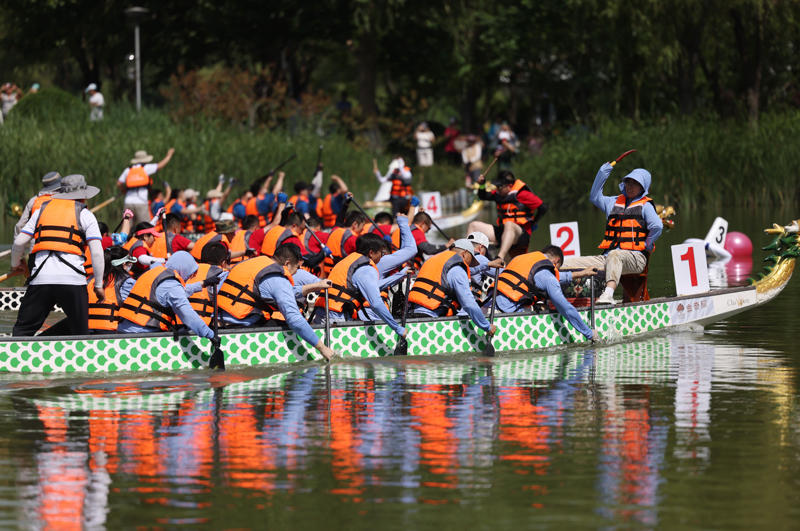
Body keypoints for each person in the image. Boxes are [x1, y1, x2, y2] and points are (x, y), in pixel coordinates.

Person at [9, 174, 105, 336]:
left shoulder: (41, 210)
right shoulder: (85, 214)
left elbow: (19, 243)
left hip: (41, 279)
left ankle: (14, 356)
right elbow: (96, 252)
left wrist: (15, 264)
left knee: (22, 332)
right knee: (80, 333)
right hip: (73, 281)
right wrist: (98, 285)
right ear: (83, 196)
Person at [562, 161, 663, 305]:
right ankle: (554, 298)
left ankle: (608, 295)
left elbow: (657, 226)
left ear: (643, 187)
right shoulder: (613, 202)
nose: (630, 186)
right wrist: (602, 173)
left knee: (615, 255)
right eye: (628, 182)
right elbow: (594, 196)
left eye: (635, 183)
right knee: (567, 262)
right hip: (608, 257)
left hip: (636, 258)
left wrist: (648, 243)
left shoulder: (646, 206)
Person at [217, 244, 335, 360]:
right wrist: (323, 348)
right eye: (295, 269)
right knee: (289, 324)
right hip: (241, 328)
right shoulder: (277, 277)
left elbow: (281, 290)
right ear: (287, 264)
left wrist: (316, 285)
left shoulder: (251, 263)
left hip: (219, 324)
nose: (294, 274)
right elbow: (294, 319)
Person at [495, 245, 598, 341]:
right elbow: (565, 307)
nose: (555, 273)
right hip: (507, 311)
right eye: (557, 269)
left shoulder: (521, 258)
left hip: (491, 302)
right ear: (556, 261)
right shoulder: (547, 276)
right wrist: (589, 333)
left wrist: (583, 273)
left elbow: (554, 277)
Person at [315, 233, 407, 340]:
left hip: (322, 311)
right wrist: (397, 328)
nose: (382, 257)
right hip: (336, 315)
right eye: (381, 253)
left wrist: (400, 275)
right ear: (371, 253)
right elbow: (376, 303)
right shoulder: (366, 268)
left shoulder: (348, 260)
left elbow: (375, 286)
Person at [408, 239, 496, 337]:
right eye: (471, 260)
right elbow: (469, 304)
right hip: (431, 321)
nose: (469, 264)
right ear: (465, 254)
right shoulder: (457, 270)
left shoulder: (432, 260)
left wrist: (488, 265)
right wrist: (487, 326)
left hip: (412, 315)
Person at [117, 251, 214, 339]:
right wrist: (210, 335)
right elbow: (187, 315)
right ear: (184, 268)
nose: (189, 277)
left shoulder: (154, 272)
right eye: (190, 273)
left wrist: (203, 283)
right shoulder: (171, 284)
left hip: (124, 329)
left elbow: (175, 292)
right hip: (142, 334)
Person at [469, 170, 547, 263]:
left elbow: (543, 207)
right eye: (497, 186)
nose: (497, 189)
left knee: (509, 224)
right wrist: (482, 184)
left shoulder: (523, 194)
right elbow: (483, 196)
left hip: (521, 234)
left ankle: (499, 258)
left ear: (509, 186)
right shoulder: (498, 194)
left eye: (500, 187)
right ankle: (468, 256)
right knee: (473, 225)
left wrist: (534, 222)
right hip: (503, 232)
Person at [117, 148, 175, 225]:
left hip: (128, 201)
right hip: (141, 202)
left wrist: (124, 190)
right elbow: (160, 166)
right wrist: (169, 155)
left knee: (127, 227)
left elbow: (119, 183)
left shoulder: (128, 170)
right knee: (146, 227)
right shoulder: (145, 168)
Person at [87, 247, 138, 333]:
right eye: (129, 263)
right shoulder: (128, 282)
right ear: (124, 263)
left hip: (88, 329)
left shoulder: (90, 280)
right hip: (113, 333)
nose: (130, 266)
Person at [14, 171, 61, 237]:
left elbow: (20, 226)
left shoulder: (33, 200)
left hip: (36, 243)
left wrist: (18, 245)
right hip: (60, 242)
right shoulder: (66, 200)